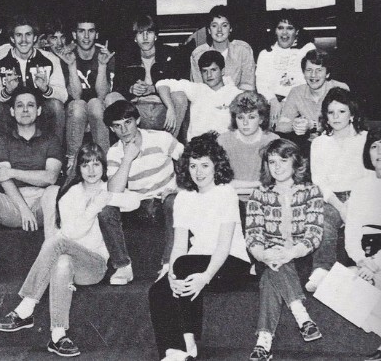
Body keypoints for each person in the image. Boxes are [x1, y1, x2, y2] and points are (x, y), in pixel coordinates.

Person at [0, 143, 144, 358]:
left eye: (96, 164)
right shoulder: (70, 194)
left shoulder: (108, 188)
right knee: (62, 260)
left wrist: (107, 198)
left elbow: (135, 201)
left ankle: (26, 307)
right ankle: (58, 335)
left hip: (95, 266)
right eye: (85, 165)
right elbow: (72, 234)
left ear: (103, 167)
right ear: (78, 169)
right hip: (70, 260)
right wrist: (93, 207)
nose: (91, 170)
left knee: (56, 243)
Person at [149, 132, 251, 361]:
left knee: (185, 266)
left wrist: (205, 277)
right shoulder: (184, 197)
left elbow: (224, 246)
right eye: (193, 166)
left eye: (205, 165)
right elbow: (179, 246)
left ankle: (188, 340)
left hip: (231, 264)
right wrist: (171, 276)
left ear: (216, 166)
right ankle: (172, 352)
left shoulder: (226, 193)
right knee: (158, 289)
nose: (199, 172)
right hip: (193, 262)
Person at [0, 87, 62, 286]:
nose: (25, 110)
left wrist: (13, 172)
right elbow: (2, 178)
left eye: (30, 105)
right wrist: (23, 209)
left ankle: (51, 259)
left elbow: (50, 177)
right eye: (20, 106)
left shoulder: (51, 139)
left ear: (38, 110)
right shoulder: (2, 139)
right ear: (12, 111)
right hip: (12, 204)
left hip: (42, 204)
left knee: (54, 192)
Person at [245, 138, 324, 361]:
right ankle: (302, 317)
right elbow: (253, 233)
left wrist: (291, 253)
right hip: (267, 257)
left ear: (296, 162)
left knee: (274, 273)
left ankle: (264, 342)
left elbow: (314, 233)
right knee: (273, 268)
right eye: (272, 162)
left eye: (283, 160)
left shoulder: (311, 192)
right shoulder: (259, 193)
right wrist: (263, 254)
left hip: (300, 257)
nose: (277, 167)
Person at [102, 100, 184, 285]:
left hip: (165, 200)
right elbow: (114, 192)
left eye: (128, 122)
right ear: (111, 129)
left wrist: (179, 188)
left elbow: (190, 163)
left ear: (138, 120)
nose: (124, 130)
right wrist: (127, 159)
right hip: (138, 205)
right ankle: (123, 266)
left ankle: (169, 264)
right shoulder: (114, 152)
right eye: (118, 126)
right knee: (106, 210)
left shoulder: (161, 138)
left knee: (173, 201)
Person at [344, 126, 381, 361]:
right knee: (328, 282)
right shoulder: (361, 185)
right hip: (369, 260)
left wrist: (374, 265)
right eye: (374, 146)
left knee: (353, 283)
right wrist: (361, 261)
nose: (379, 151)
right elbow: (351, 231)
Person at [306, 87, 368, 292]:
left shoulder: (365, 139)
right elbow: (319, 181)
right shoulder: (319, 143)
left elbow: (369, 174)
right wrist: (341, 207)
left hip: (361, 194)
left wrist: (353, 202)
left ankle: (367, 269)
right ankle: (322, 270)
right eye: (331, 112)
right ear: (325, 116)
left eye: (341, 111)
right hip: (331, 198)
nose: (336, 117)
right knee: (323, 218)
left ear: (352, 114)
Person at [0, 14, 68, 141]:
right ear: (12, 38)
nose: (24, 40)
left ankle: (55, 151)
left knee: (56, 106)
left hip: (40, 114)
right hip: (11, 115)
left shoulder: (50, 59)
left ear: (35, 38)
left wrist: (46, 89)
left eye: (28, 34)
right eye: (19, 35)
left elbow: (63, 95)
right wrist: (7, 91)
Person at [107, 14, 188, 138]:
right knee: (111, 98)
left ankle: (171, 143)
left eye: (149, 32)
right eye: (140, 33)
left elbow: (181, 84)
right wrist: (131, 89)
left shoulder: (171, 54)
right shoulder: (125, 57)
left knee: (180, 96)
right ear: (135, 38)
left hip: (164, 109)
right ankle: (127, 143)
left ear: (155, 36)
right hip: (136, 112)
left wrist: (154, 89)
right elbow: (116, 88)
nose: (145, 37)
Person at [54, 18, 115, 169]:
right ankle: (72, 161)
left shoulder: (104, 54)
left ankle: (105, 159)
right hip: (75, 111)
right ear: (74, 35)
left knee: (95, 103)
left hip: (98, 108)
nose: (86, 36)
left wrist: (102, 66)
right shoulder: (67, 55)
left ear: (97, 34)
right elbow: (75, 96)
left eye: (91, 31)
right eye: (82, 31)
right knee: (79, 106)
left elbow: (102, 95)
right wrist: (71, 65)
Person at [156, 50, 242, 142]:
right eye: (205, 71)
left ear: (222, 71)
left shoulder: (236, 94)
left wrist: (224, 136)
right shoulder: (198, 89)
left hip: (225, 144)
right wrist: (170, 108)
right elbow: (161, 84)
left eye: (213, 70)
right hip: (197, 145)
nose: (209, 75)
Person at [276, 49, 349, 155]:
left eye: (319, 70)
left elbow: (346, 123)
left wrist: (313, 125)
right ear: (303, 73)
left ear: (327, 74)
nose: (313, 75)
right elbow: (281, 126)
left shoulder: (339, 88)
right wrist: (296, 124)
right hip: (311, 147)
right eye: (309, 70)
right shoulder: (297, 92)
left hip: (339, 143)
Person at [255, 9, 317, 127]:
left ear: (297, 31)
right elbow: (261, 84)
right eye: (280, 28)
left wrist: (285, 103)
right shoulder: (265, 53)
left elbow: (306, 82)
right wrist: (273, 102)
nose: (284, 33)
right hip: (271, 104)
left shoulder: (306, 49)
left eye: (289, 28)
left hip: (299, 102)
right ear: (275, 31)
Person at [217, 91, 279, 198]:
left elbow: (275, 181)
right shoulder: (223, 141)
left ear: (261, 119)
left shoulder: (272, 140)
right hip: (229, 198)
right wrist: (257, 185)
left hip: (264, 199)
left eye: (251, 117)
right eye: (240, 117)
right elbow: (220, 182)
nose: (245, 123)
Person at [190, 5, 255, 91]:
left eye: (224, 25)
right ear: (209, 30)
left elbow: (248, 86)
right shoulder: (198, 54)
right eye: (214, 26)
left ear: (230, 28)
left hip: (238, 98)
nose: (219, 30)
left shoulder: (243, 50)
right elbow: (198, 89)